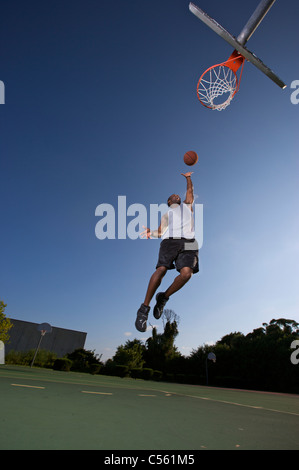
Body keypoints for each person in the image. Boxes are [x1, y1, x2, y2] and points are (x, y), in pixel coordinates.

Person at [135, 172, 199, 332]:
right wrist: (151, 232)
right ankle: (144, 308)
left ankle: (163, 297)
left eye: (177, 195)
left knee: (186, 274)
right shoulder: (166, 215)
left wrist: (188, 178)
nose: (176, 195)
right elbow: (160, 231)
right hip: (170, 241)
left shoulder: (187, 205)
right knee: (161, 269)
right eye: (173, 196)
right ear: (169, 202)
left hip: (189, 242)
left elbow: (190, 191)